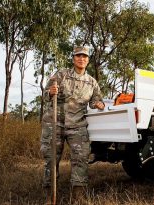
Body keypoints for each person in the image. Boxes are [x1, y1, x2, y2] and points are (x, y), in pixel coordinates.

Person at [40, 46, 105, 202]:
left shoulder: (92, 82)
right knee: (51, 159)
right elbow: (45, 95)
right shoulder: (61, 75)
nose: (81, 58)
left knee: (81, 159)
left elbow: (97, 100)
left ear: (88, 60)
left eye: (84, 56)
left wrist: (98, 104)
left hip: (77, 125)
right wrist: (50, 92)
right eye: (78, 56)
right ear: (73, 58)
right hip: (55, 123)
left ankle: (78, 198)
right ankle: (49, 197)